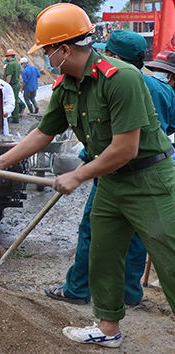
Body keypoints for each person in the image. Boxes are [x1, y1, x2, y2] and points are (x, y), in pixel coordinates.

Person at [0, 3, 175, 349]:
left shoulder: (121, 79)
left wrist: (78, 176)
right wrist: (3, 161)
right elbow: (43, 132)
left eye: (46, 50)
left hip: (150, 181)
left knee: (169, 257)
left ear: (64, 49)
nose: (44, 57)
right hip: (112, 183)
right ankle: (108, 328)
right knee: (102, 253)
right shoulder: (67, 85)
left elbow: (126, 148)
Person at [45, 30, 175, 308]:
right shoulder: (164, 90)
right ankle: (129, 295)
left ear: (114, 56)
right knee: (139, 238)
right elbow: (166, 131)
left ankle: (78, 288)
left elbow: (116, 137)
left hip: (117, 171)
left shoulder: (114, 81)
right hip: (143, 170)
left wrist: (82, 167)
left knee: (96, 235)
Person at [4, 49, 22, 123]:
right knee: (16, 101)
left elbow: (9, 76)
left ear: (9, 57)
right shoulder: (17, 64)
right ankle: (16, 117)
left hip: (12, 85)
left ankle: (8, 117)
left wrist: (6, 86)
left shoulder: (11, 64)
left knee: (9, 101)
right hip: (17, 84)